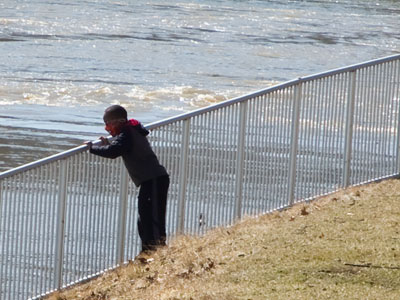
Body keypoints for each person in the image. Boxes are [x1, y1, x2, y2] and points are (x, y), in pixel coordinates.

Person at [86, 105, 169, 253]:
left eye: (108, 124)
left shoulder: (127, 133)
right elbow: (120, 146)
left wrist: (92, 148)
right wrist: (108, 143)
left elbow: (113, 152)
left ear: (119, 121)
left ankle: (157, 253)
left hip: (154, 179)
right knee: (143, 219)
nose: (106, 129)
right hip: (151, 180)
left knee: (153, 219)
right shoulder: (131, 130)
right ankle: (147, 251)